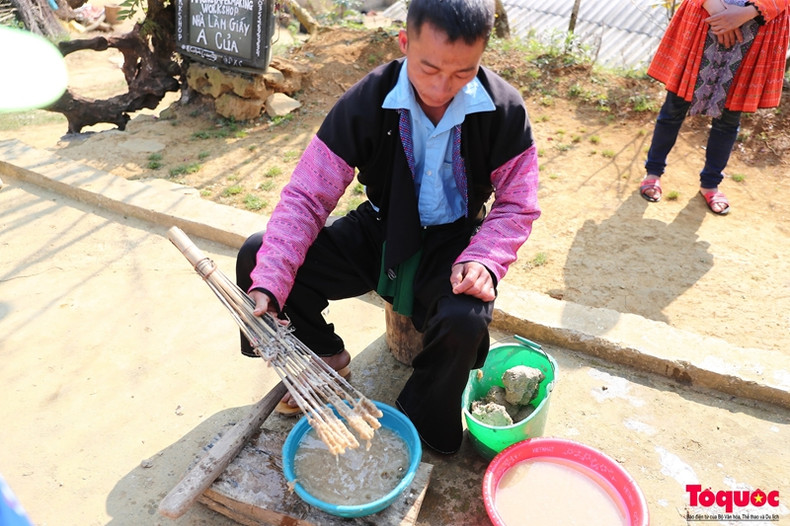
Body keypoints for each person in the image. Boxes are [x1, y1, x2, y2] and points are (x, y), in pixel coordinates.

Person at [235, 0, 540, 454]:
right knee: (258, 257)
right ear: (404, 43)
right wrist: (271, 282)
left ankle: (420, 416)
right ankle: (323, 360)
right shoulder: (366, 100)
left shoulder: (504, 110)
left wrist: (484, 259)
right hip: (381, 227)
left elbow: (518, 202)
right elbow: (306, 196)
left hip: (455, 243)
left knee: (465, 318)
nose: (441, 88)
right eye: (428, 67)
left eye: (462, 73)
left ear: (481, 56)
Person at [640, 0, 789, 215]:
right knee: (675, 105)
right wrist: (716, 9)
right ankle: (653, 172)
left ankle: (710, 184)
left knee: (729, 118)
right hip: (705, 16)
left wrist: (746, 13)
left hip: (757, 27)